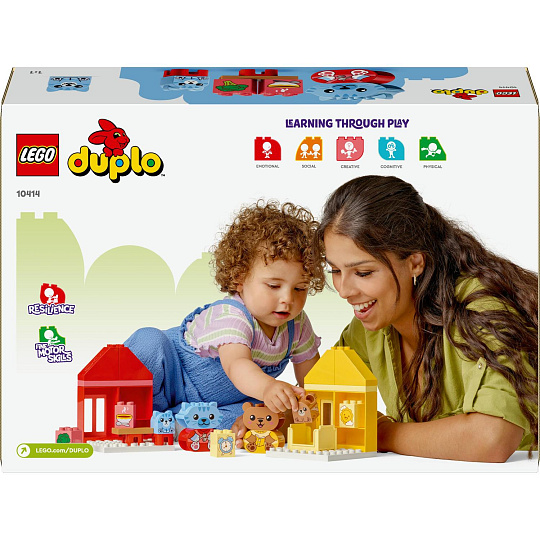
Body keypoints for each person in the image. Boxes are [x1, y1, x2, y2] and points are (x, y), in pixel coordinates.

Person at [316, 175, 538, 462]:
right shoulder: (368, 328)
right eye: (335, 270)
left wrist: (381, 433)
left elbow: (490, 438)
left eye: (363, 272)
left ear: (415, 263)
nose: (344, 290)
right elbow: (319, 399)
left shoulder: (479, 308)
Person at [125, 200, 325, 429]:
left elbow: (313, 379)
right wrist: (268, 387)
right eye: (273, 286)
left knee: (259, 414)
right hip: (169, 375)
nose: (288, 298)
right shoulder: (233, 316)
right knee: (149, 342)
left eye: (300, 288)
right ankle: (131, 411)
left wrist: (309, 403)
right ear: (240, 278)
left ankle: (175, 425)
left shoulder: (297, 324)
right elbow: (237, 364)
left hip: (212, 406)